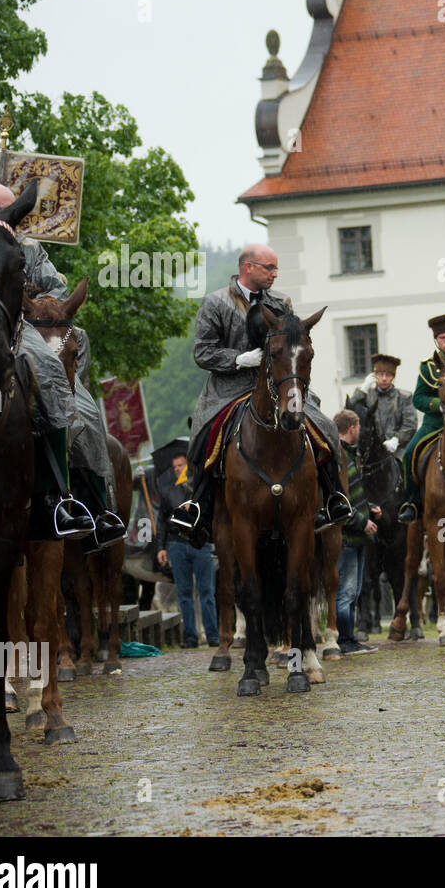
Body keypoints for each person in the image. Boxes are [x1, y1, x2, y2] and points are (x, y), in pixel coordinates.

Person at [169, 244, 351, 544]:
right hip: (229, 387)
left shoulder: (282, 302)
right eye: (269, 268)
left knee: (325, 425)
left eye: (276, 268)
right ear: (248, 267)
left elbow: (295, 345)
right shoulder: (216, 303)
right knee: (204, 435)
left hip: (279, 384)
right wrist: (239, 359)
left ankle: (333, 497)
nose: (275, 274)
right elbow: (202, 353)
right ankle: (197, 505)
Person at [0, 180, 120, 545]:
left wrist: (33, 299)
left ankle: (82, 504)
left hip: (30, 327)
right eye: (3, 211)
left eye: (16, 211)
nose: (13, 219)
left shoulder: (29, 247)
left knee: (81, 405)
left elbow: (57, 291)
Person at [398, 315, 445, 525]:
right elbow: (418, 398)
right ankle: (412, 502)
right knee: (409, 453)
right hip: (434, 424)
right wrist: (440, 405)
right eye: (442, 338)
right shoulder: (427, 367)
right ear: (436, 340)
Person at [155, 447, 217, 648]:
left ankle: (212, 635)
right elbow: (162, 520)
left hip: (201, 544)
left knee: (206, 591)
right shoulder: (168, 490)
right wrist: (161, 547)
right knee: (184, 592)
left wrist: (194, 504)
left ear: (188, 466)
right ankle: (190, 636)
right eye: (174, 467)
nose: (177, 469)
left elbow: (211, 511)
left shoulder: (199, 485)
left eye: (180, 465)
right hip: (177, 544)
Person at [333, 410, 380, 655]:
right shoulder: (338, 458)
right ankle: (344, 640)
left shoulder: (351, 456)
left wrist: (369, 508)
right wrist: (362, 522)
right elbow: (338, 502)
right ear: (352, 428)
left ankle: (349, 637)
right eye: (358, 426)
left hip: (357, 537)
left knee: (354, 591)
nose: (360, 431)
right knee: (346, 593)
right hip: (348, 538)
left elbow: (353, 495)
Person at [345, 351, 417, 480]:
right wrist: (362, 390)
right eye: (380, 374)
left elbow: (410, 425)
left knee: (410, 470)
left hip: (397, 449)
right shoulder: (367, 395)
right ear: (375, 375)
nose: (384, 378)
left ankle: (411, 498)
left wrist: (397, 439)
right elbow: (348, 413)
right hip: (370, 449)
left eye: (388, 375)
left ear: (393, 376)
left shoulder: (404, 397)